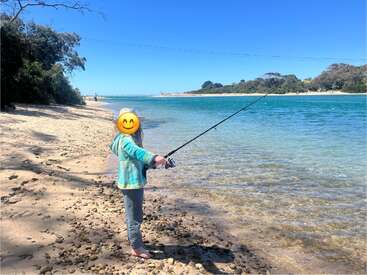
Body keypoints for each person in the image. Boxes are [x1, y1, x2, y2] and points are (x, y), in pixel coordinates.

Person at [110, 108, 166, 259]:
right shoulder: (125, 140)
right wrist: (153, 157)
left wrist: (154, 163)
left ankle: (135, 242)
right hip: (131, 184)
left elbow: (137, 161)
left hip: (132, 183)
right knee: (134, 217)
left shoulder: (124, 138)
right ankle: (136, 247)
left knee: (135, 214)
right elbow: (137, 152)